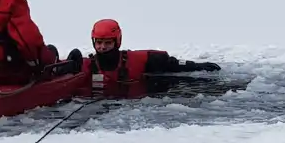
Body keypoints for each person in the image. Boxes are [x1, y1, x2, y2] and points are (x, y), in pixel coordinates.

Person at [82, 18, 221, 98]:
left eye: (107, 43)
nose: (102, 47)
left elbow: (172, 63)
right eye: (99, 43)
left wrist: (197, 65)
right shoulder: (86, 64)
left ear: (117, 41)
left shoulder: (135, 59)